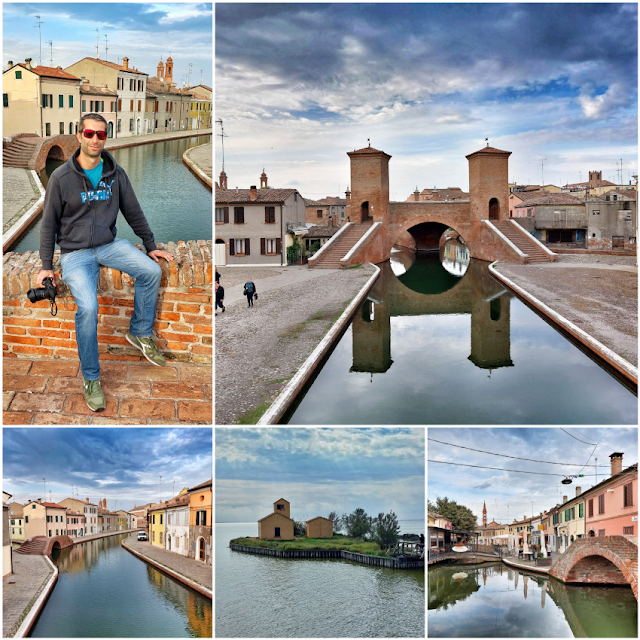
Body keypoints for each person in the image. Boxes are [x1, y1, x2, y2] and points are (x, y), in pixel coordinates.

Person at [35, 113, 174, 412]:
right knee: (88, 307)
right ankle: (91, 378)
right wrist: (46, 264)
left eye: (101, 134)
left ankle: (139, 332)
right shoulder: (60, 178)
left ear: (105, 138)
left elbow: (133, 212)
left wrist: (150, 246)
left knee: (150, 271)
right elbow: (48, 225)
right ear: (79, 136)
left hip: (109, 245)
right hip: (75, 253)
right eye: (89, 133)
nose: (95, 139)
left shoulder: (116, 173)